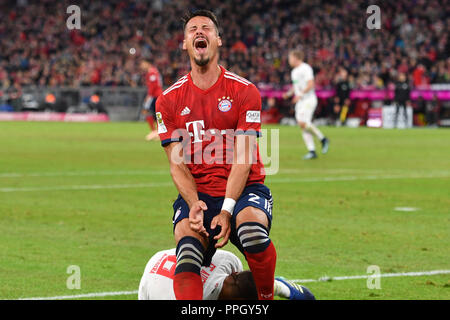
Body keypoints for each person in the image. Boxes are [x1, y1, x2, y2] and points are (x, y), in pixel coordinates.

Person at [155, 10, 277, 300]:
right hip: (198, 194)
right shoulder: (168, 100)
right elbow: (177, 165)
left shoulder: (245, 91)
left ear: (218, 40)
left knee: (252, 233)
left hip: (245, 189)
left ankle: (266, 298)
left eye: (206, 28)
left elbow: (244, 157)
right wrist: (194, 203)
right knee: (186, 255)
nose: (199, 32)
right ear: (185, 43)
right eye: (192, 29)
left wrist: (226, 209)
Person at [138, 248, 315, 300]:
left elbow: (306, 296)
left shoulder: (229, 262)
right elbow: (308, 296)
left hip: (162, 257)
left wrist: (280, 288)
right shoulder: (197, 298)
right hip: (152, 285)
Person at [283, 50, 329, 160]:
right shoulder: (294, 72)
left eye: (290, 58)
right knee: (303, 126)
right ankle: (312, 151)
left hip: (308, 99)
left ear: (295, 57)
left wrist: (300, 95)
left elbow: (311, 84)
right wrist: (289, 94)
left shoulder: (306, 68)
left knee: (302, 123)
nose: (289, 61)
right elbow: (296, 87)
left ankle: (323, 139)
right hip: (300, 101)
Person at [140, 59, 163, 140]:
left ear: (147, 63)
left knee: (146, 111)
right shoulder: (154, 71)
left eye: (143, 63)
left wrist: (148, 96)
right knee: (157, 114)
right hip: (157, 95)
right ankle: (159, 132)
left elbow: (153, 86)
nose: (142, 66)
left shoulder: (152, 72)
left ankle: (154, 131)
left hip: (154, 95)